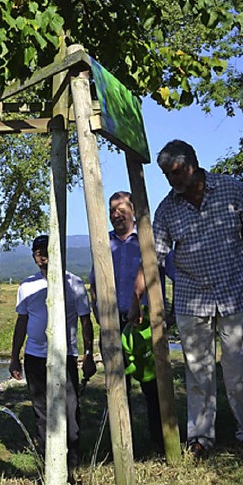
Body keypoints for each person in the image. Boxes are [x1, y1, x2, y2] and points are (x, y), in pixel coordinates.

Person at [131, 140, 243, 457]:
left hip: (235, 294)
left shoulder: (231, 190)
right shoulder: (167, 208)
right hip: (191, 300)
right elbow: (152, 257)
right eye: (167, 175)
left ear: (192, 165)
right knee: (198, 372)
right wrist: (136, 294)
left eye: (176, 172)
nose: (173, 180)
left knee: (240, 371)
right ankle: (200, 437)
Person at [9, 235, 96, 477]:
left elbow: (85, 321)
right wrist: (15, 357)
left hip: (65, 355)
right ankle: (49, 458)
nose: (43, 257)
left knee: (69, 407)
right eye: (38, 253)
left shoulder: (74, 284)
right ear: (34, 257)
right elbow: (22, 321)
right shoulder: (27, 286)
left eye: (47, 251)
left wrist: (88, 354)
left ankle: (73, 457)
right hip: (35, 356)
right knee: (41, 408)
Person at [89, 191, 163, 448]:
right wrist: (97, 310)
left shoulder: (145, 240)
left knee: (152, 385)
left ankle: (160, 439)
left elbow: (164, 274)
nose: (116, 215)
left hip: (142, 323)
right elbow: (94, 282)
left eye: (121, 209)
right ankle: (124, 443)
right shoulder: (103, 243)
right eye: (112, 210)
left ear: (133, 211)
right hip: (113, 322)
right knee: (118, 384)